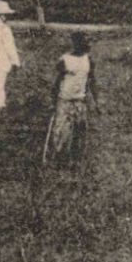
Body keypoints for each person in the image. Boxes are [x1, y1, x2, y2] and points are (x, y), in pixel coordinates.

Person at [45, 32, 97, 165]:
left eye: (88, 42)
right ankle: (57, 159)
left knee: (80, 130)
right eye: (84, 42)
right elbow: (57, 82)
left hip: (80, 100)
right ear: (76, 44)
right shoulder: (65, 60)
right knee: (61, 131)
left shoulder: (88, 60)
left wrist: (95, 102)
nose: (87, 45)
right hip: (65, 100)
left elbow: (91, 82)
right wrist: (53, 101)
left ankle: (76, 160)